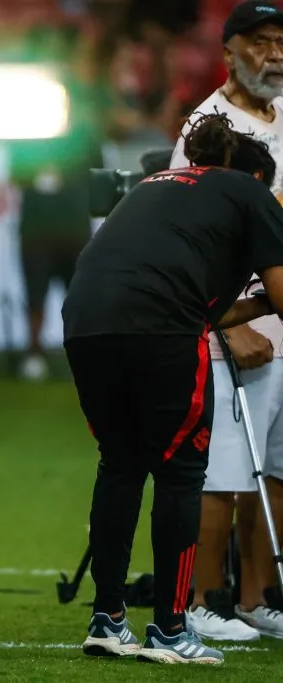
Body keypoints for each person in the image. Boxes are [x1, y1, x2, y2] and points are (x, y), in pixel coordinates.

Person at [62, 112, 283, 665]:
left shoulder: (153, 186)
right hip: (160, 329)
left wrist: (256, 304)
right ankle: (170, 628)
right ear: (258, 177)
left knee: (120, 463)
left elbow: (191, 295)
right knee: (182, 471)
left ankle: (107, 619)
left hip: (85, 322)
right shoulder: (251, 193)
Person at [169, 0, 283, 641]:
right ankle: (202, 599)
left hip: (280, 307)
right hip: (234, 313)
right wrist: (223, 322)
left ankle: (257, 597)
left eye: (282, 41)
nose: (276, 53)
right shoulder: (207, 126)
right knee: (225, 471)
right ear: (230, 51)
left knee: (278, 468)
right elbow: (184, 230)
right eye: (261, 41)